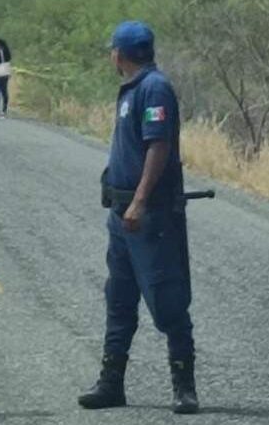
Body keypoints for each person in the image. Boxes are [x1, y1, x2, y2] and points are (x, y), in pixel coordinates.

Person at [78, 21, 198, 415]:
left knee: (167, 301)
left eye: (113, 50)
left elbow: (158, 146)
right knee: (119, 299)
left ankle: (184, 385)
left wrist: (141, 201)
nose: (111, 56)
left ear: (121, 54)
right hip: (122, 214)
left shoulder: (153, 88)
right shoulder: (132, 88)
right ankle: (111, 384)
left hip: (148, 215)